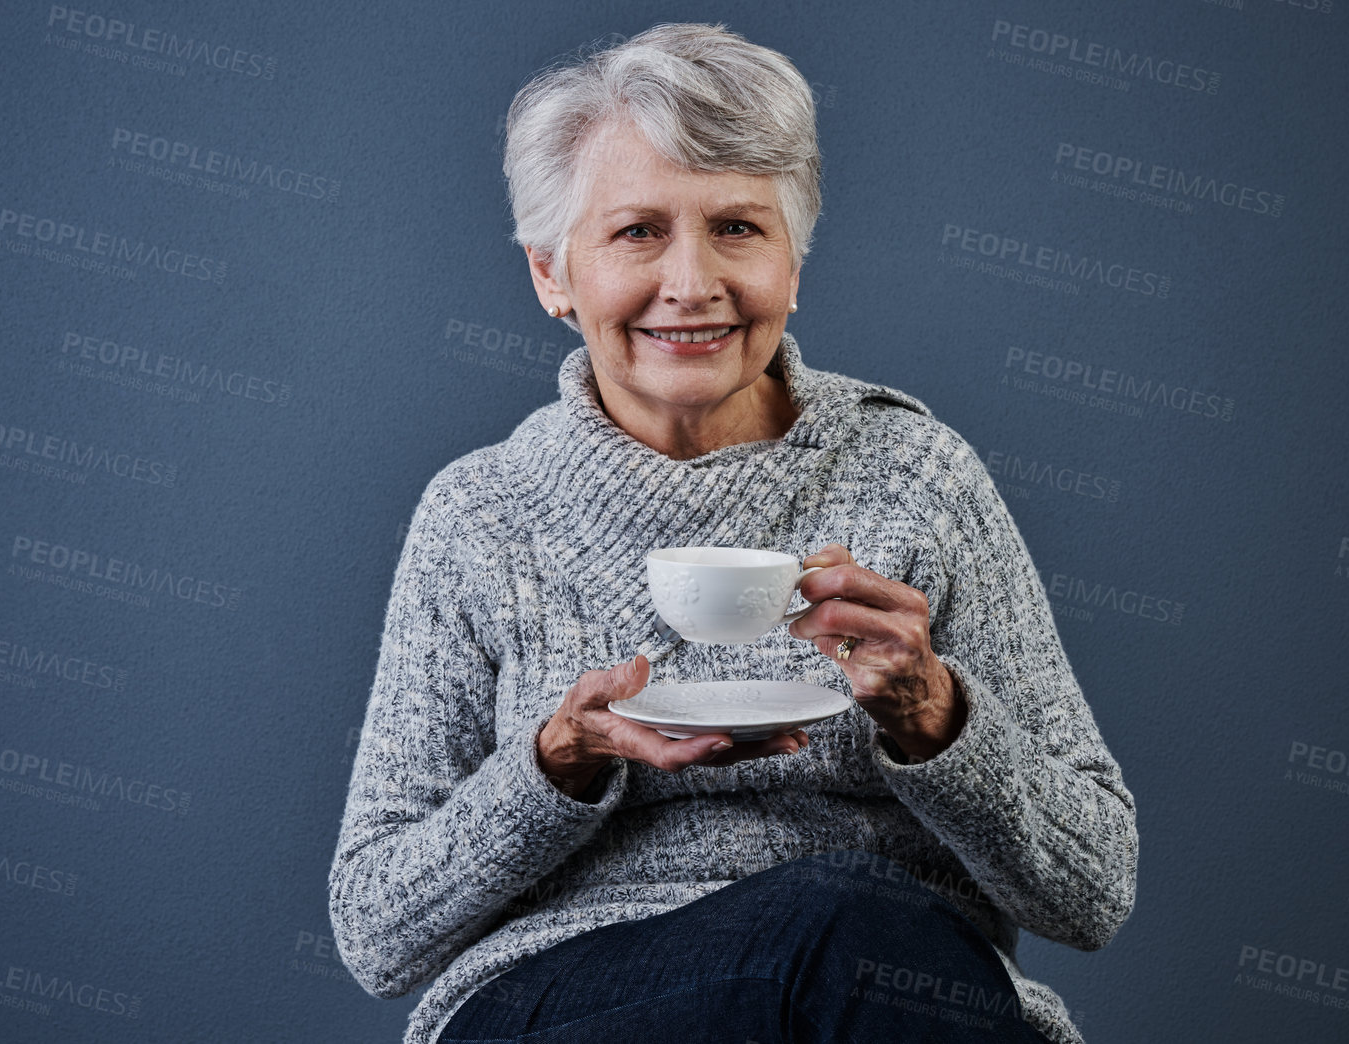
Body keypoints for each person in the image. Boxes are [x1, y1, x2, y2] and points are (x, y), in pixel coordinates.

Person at [328, 22, 1137, 1044]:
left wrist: (936, 717)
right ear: (551, 275)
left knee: (854, 927)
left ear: (793, 264)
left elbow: (1091, 892)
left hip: (888, 985)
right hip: (564, 1000)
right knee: (837, 920)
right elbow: (377, 935)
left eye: (738, 229)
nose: (693, 282)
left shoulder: (914, 476)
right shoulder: (481, 516)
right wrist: (555, 763)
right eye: (636, 232)